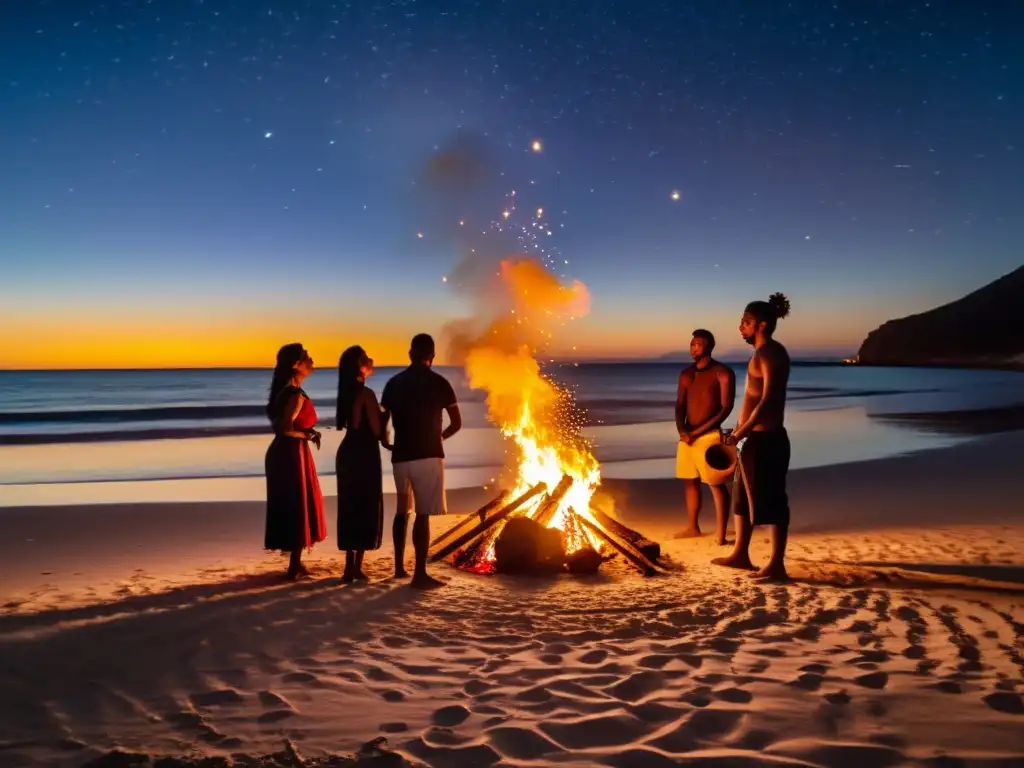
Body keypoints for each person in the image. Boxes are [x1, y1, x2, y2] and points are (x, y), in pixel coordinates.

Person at [716, 293, 793, 582]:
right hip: (751, 440)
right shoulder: (760, 354)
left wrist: (741, 432)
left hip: (767, 440)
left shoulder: (770, 353)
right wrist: (736, 432)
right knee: (740, 497)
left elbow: (769, 399)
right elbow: (751, 398)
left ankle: (776, 564)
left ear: (761, 324)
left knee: (772, 501)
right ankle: (740, 554)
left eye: (745, 322)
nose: (740, 327)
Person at [380, 333, 462, 589]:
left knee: (402, 511)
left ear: (410, 354)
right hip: (428, 456)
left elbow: (383, 423)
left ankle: (398, 568)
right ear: (432, 355)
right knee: (423, 515)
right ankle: (419, 574)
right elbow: (456, 423)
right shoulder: (440, 383)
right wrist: (440, 437)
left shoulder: (393, 383)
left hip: (401, 457)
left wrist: (387, 441)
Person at [264, 343, 327, 580]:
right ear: (295, 365)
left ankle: (295, 564)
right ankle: (293, 567)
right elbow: (285, 428)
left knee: (298, 504)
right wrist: (309, 435)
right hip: (289, 453)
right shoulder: (293, 394)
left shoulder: (289, 391)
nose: (311, 360)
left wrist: (307, 433)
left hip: (290, 452)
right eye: (306, 357)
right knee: (298, 504)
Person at [674, 329, 736, 545]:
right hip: (688, 436)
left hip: (709, 435)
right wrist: (682, 431)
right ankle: (693, 527)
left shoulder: (723, 372)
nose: (693, 348)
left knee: (715, 483)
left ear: (709, 346)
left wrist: (697, 432)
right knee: (690, 481)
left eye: (698, 344)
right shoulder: (686, 374)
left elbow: (725, 408)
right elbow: (680, 405)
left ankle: (721, 534)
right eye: (691, 344)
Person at [335, 345, 386, 583]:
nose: (371, 360)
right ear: (360, 367)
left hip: (347, 451)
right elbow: (376, 430)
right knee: (366, 505)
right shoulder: (366, 394)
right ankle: (356, 566)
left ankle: (348, 566)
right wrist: (385, 416)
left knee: (349, 506)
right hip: (364, 453)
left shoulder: (345, 393)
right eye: (367, 358)